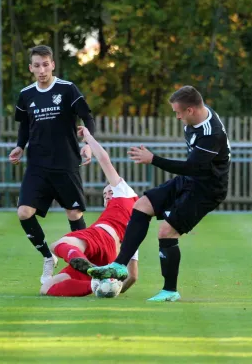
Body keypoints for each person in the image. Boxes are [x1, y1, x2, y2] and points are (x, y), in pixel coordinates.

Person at [87, 85, 231, 302]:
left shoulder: (212, 135)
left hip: (207, 190)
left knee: (166, 232)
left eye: (178, 112)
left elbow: (191, 167)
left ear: (191, 110)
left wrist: (152, 159)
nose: (177, 117)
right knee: (142, 205)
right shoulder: (197, 113)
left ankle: (170, 291)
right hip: (190, 180)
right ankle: (119, 266)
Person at [8, 45, 96, 284]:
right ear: (31, 68)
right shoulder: (26, 94)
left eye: (45, 64)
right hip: (37, 165)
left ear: (53, 64)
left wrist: (88, 143)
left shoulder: (67, 89)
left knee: (74, 212)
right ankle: (48, 257)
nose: (42, 69)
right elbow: (25, 125)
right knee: (24, 212)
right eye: (36, 65)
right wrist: (20, 146)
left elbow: (87, 116)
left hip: (66, 162)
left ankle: (84, 269)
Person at [40, 126, 139, 297]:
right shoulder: (135, 222)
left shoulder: (126, 194)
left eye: (110, 191)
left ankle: (89, 268)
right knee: (46, 288)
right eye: (104, 194)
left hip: (100, 237)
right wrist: (115, 288)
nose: (108, 194)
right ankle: (93, 283)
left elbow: (104, 160)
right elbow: (133, 276)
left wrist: (88, 137)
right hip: (106, 257)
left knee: (57, 246)